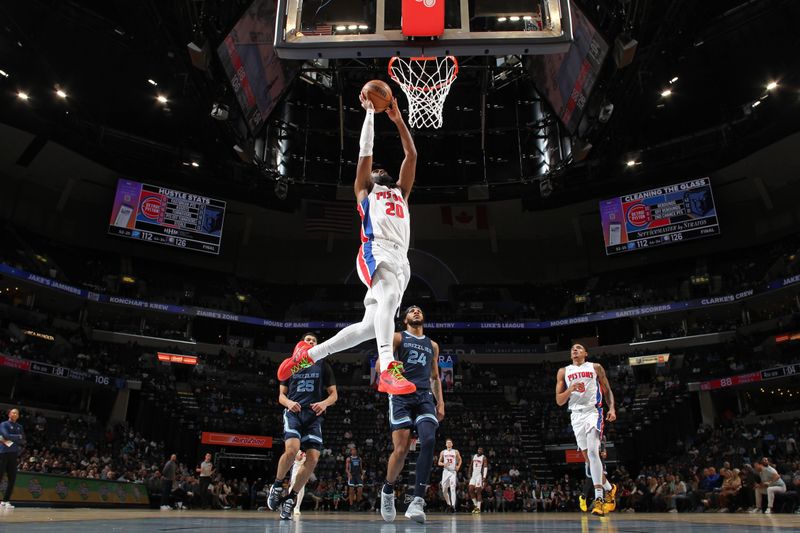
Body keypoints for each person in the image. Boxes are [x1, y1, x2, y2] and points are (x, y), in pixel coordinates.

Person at [277, 90, 418, 396]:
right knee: (390, 295)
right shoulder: (365, 191)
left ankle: (308, 356)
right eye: (375, 169)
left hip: (401, 259)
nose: (378, 168)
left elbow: (412, 155)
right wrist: (369, 112)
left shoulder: (401, 193)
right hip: (375, 249)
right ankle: (388, 369)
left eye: (382, 168)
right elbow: (365, 151)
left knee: (370, 327)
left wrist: (398, 120)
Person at [380, 306, 445, 523]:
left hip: (424, 396)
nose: (416, 311)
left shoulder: (432, 345)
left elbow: (435, 377)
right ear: (405, 318)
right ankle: (388, 490)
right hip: (400, 395)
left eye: (419, 310)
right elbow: (381, 362)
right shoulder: (397, 337)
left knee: (428, 440)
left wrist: (441, 402)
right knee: (401, 449)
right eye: (411, 310)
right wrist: (391, 367)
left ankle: (417, 501)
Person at [268, 333, 338, 520]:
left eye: (314, 341)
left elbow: (334, 395)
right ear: (301, 344)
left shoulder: (323, 365)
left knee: (313, 458)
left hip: (313, 416)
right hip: (294, 412)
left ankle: (290, 498)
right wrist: (289, 403)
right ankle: (276, 485)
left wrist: (324, 403)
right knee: (292, 450)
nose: (311, 342)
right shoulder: (290, 364)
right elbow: (281, 396)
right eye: (308, 340)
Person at [555, 343, 617, 516]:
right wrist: (570, 389)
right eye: (572, 348)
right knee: (589, 460)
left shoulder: (595, 367)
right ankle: (610, 488)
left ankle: (599, 499)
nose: (574, 349)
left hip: (593, 411)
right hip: (575, 415)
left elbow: (608, 390)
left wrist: (611, 408)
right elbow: (559, 401)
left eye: (579, 348)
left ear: (586, 353)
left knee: (592, 452)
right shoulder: (563, 371)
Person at [0, 408, 25, 509]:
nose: (15, 414)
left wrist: (10, 439)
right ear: (9, 414)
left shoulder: (20, 426)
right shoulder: (3, 424)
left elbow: (23, 439)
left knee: (12, 478)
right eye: (13, 412)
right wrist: (16, 438)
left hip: (13, 455)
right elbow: (5, 436)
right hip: (3, 453)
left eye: (17, 413)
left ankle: (5, 501)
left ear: (18, 416)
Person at [438, 438, 462, 512]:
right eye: (447, 443)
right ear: (445, 444)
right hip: (445, 472)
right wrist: (444, 464)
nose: (448, 444)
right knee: (444, 489)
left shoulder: (455, 451)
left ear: (452, 444)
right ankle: (448, 504)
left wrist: (458, 466)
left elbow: (460, 459)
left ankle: (453, 506)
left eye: (450, 443)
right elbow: (439, 462)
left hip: (452, 472)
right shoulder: (443, 452)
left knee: (452, 488)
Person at [468, 447, 488, 514]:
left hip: (479, 476)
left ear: (482, 451)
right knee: (470, 489)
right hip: (473, 475)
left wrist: (484, 477)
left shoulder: (484, 457)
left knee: (478, 491)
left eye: (481, 450)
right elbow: (471, 466)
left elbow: (485, 467)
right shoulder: (474, 456)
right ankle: (476, 506)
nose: (479, 450)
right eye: (479, 449)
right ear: (477, 450)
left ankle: (478, 508)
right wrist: (469, 474)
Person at [289, 451, 306, 515]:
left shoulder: (311, 448)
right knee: (292, 485)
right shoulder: (298, 446)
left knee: (302, 487)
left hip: (305, 468)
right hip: (296, 467)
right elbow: (298, 458)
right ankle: (289, 502)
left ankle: (297, 507)